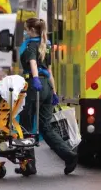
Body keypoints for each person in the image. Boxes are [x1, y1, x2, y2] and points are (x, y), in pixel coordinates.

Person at [16, 18, 77, 175]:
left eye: (26, 29)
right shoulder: (46, 46)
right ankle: (69, 156)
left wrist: (35, 79)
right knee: (46, 126)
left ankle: (29, 165)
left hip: (34, 87)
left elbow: (33, 64)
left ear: (31, 30)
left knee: (26, 126)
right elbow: (49, 71)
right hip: (48, 88)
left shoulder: (31, 45)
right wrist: (54, 92)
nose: (25, 32)